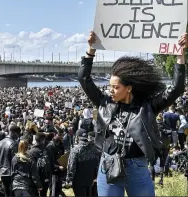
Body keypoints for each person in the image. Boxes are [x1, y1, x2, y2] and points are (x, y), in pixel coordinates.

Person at [78, 31, 187, 197]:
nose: (111, 91)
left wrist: (180, 54)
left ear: (129, 88)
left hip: (137, 167)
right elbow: (84, 79)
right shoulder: (105, 103)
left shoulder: (148, 107)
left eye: (116, 87)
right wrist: (91, 49)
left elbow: (177, 88)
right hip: (108, 164)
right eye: (110, 87)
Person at [66, 129, 101, 197]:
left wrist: (69, 179)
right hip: (90, 180)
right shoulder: (94, 149)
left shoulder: (75, 150)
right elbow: (97, 164)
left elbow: (71, 167)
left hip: (78, 181)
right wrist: (96, 177)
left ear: (77, 137)